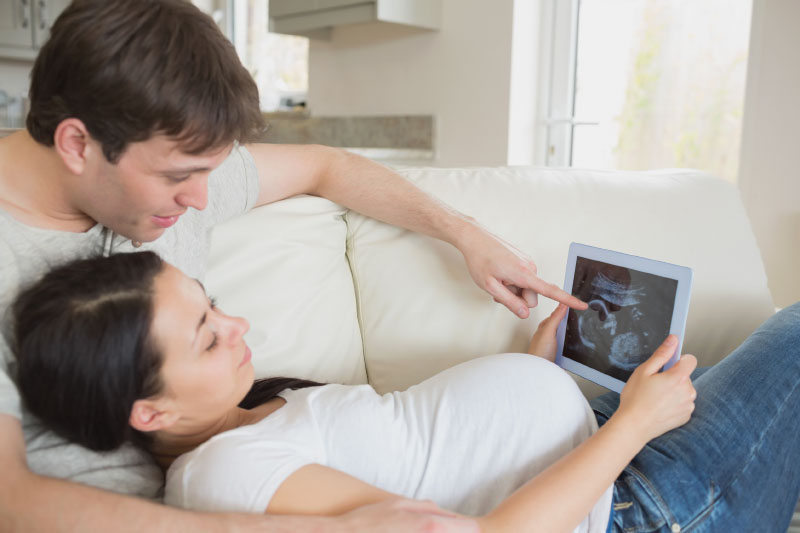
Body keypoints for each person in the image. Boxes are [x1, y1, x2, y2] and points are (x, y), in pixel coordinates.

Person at [0, 0, 586, 530]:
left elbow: (325, 166)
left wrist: (466, 234)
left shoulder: (160, 161)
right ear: (77, 144)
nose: (202, 201)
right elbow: (12, 500)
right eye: (178, 178)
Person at [11, 252, 800, 532]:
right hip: (641, 506)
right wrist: (631, 426)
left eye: (213, 301)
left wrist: (542, 369)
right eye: (207, 334)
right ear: (149, 412)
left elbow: (434, 452)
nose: (239, 321)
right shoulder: (226, 476)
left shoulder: (248, 417)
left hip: (603, 452)